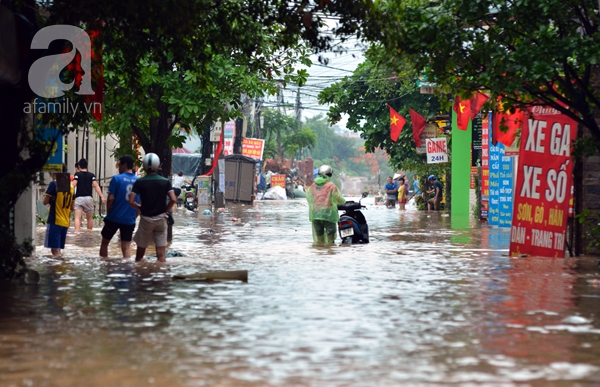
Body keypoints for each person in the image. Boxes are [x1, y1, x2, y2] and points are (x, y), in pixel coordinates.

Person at [129, 153, 177, 262]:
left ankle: (140, 274)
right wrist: (165, 210)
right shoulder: (165, 182)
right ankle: (161, 276)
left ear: (144, 166)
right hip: (161, 219)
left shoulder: (140, 182)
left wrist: (140, 207)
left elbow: (131, 201)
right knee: (161, 254)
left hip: (146, 219)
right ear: (157, 165)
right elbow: (173, 199)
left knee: (140, 254)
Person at [100, 155, 139, 258]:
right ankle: (127, 269)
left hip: (114, 217)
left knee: (105, 243)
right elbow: (140, 203)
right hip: (129, 219)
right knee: (126, 247)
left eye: (119, 165)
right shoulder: (138, 181)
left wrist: (108, 214)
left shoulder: (116, 178)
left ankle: (104, 267)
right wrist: (134, 217)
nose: (118, 167)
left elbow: (110, 198)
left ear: (124, 165)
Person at [306, 165, 346, 243]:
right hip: (328, 214)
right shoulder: (331, 186)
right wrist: (344, 202)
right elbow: (339, 199)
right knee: (330, 237)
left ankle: (320, 251)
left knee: (319, 238)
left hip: (315, 214)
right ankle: (329, 251)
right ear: (330, 175)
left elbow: (309, 198)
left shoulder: (313, 186)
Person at [43, 170, 74, 257]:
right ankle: (62, 268)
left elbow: (45, 202)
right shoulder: (71, 187)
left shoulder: (54, 184)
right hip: (65, 223)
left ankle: (57, 270)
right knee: (58, 251)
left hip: (55, 221)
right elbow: (72, 207)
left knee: (55, 252)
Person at [72, 158, 106, 231]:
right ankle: (89, 234)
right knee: (89, 218)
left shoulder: (77, 174)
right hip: (89, 198)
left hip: (79, 198)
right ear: (87, 166)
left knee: (77, 217)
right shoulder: (91, 175)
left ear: (79, 166)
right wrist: (102, 196)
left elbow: (73, 185)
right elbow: (96, 185)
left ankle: (77, 233)